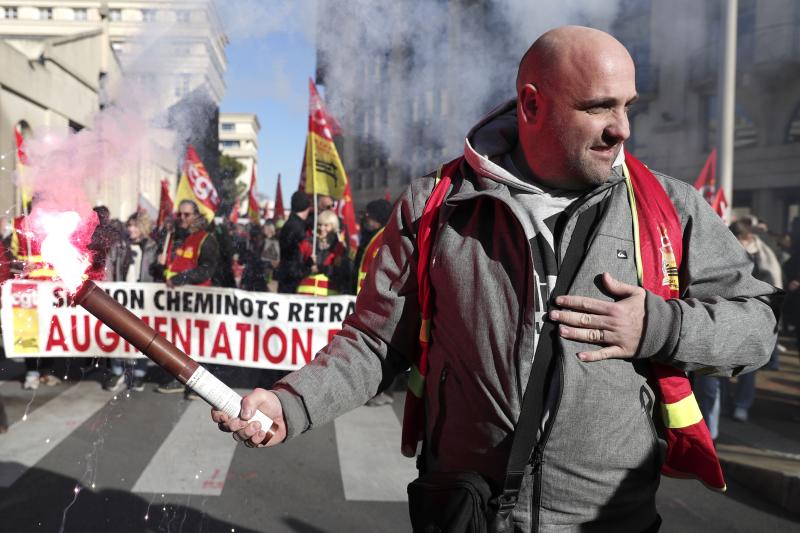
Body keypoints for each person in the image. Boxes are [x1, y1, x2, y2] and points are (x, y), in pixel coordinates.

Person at [213, 26, 781, 531]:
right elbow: (374, 341)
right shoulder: (435, 206)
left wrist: (657, 327)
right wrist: (291, 405)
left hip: (609, 518)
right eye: (599, 107)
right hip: (465, 509)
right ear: (532, 104)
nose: (622, 129)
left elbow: (756, 327)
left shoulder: (668, 207)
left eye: (628, 105)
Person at [155, 199, 219, 397]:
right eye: (180, 214)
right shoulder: (174, 237)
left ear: (196, 215)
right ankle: (179, 379)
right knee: (178, 341)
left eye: (187, 214)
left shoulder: (205, 238)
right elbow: (169, 268)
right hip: (174, 300)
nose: (182, 218)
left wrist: (181, 279)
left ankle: (201, 386)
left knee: (198, 341)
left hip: (197, 300)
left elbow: (207, 270)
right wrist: (159, 265)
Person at [102, 212, 158, 392]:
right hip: (121, 297)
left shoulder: (152, 247)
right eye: (129, 225)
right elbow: (109, 267)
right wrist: (109, 289)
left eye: (135, 225)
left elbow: (156, 272)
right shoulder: (119, 245)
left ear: (143, 227)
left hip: (143, 299)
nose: (131, 229)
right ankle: (117, 371)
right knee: (118, 334)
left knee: (142, 336)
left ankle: (139, 373)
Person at [296, 210, 351, 296]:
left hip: (328, 296)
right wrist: (308, 265)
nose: (321, 228)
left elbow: (342, 274)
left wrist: (323, 268)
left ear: (333, 226)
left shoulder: (339, 247)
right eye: (319, 224)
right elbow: (296, 269)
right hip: (305, 295)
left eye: (326, 225)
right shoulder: (307, 243)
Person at [274, 191, 312, 294]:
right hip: (293, 280)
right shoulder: (297, 228)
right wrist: (308, 267)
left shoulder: (292, 224)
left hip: (287, 276)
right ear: (307, 207)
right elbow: (294, 256)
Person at [352, 198, 392, 295]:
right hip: (363, 291)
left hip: (375, 293)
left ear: (376, 218)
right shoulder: (369, 236)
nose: (365, 219)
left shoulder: (385, 238)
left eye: (368, 216)